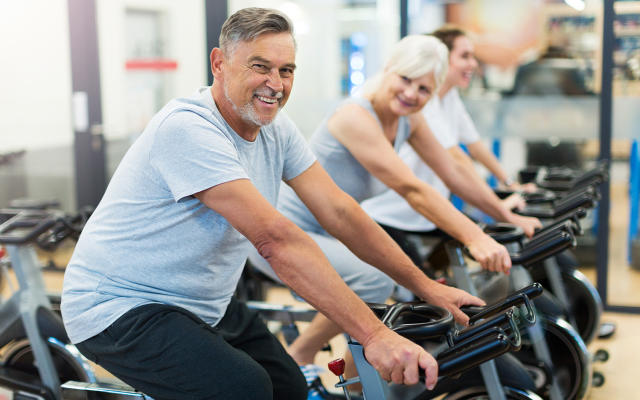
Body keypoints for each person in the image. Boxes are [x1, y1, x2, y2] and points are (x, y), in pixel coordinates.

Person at [61, 8, 485, 400]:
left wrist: (427, 287)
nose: (276, 84)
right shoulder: (188, 128)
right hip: (119, 306)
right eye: (260, 66)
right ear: (219, 64)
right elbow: (275, 240)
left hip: (202, 301)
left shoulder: (275, 130)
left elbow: (339, 210)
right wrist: (375, 335)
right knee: (246, 388)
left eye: (286, 70)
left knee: (288, 387)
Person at [248, 33, 541, 395]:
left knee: (385, 294)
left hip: (332, 231)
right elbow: (414, 189)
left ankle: (355, 390)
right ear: (387, 69)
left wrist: (507, 216)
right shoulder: (354, 117)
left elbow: (453, 171)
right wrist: (474, 236)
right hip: (287, 230)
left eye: (423, 89)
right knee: (373, 280)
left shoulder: (409, 119)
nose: (411, 94)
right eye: (405, 80)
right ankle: (300, 355)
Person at [361, 26, 537, 268]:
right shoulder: (421, 104)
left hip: (427, 210)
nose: (473, 64)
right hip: (392, 213)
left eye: (473, 57)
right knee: (417, 290)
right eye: (464, 56)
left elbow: (474, 149)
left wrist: (508, 186)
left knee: (451, 265)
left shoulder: (445, 99)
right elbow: (455, 162)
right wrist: (500, 209)